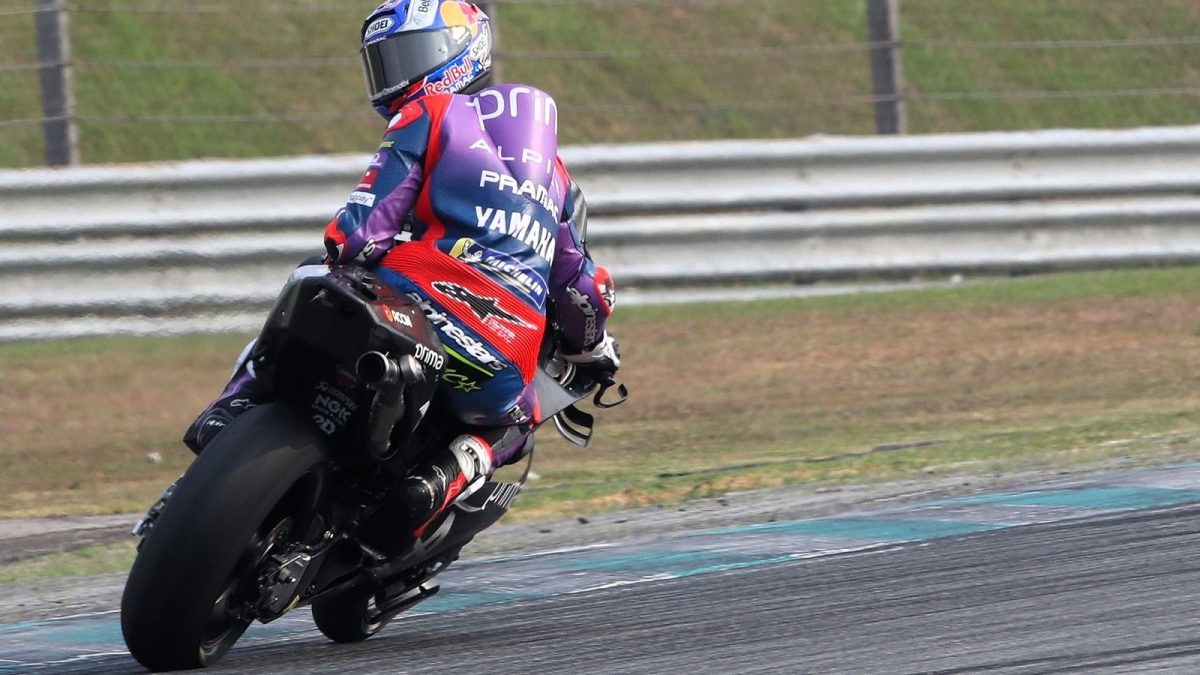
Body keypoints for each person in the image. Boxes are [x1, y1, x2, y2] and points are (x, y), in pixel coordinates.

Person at [182, 0, 619, 538]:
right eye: (386, 61)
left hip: (416, 303)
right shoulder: (555, 179)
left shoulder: (429, 115)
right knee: (519, 417)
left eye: (412, 55)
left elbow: (357, 235)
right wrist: (594, 348)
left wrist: (342, 262)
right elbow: (582, 290)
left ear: (462, 53)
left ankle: (233, 405)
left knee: (307, 276)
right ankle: (450, 474)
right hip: (502, 354)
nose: (398, 76)